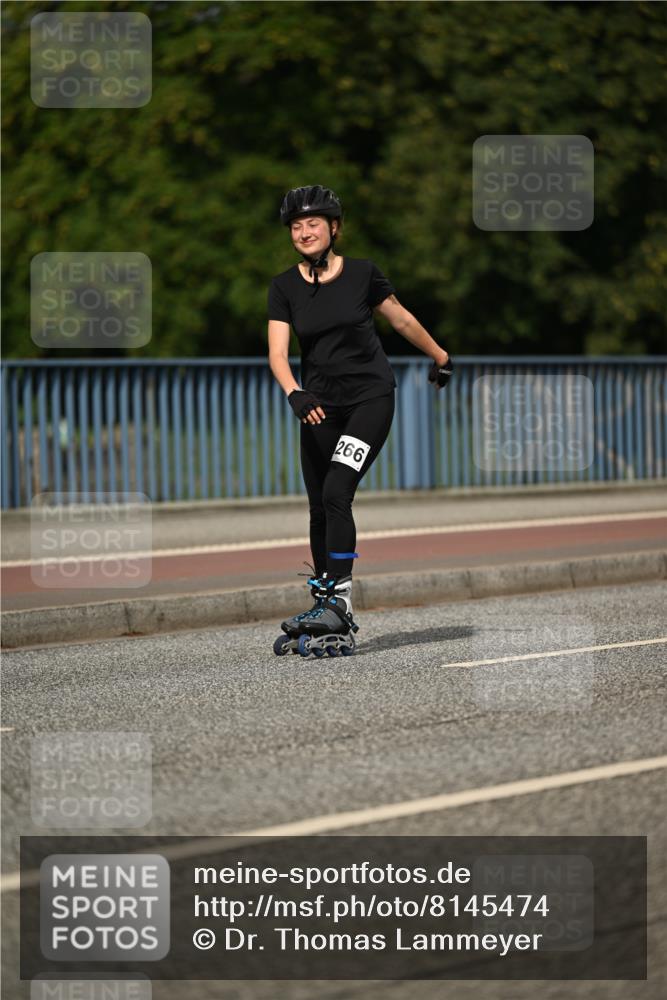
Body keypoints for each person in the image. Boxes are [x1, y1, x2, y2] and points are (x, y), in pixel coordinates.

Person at [267, 184, 452, 656]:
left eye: (313, 223)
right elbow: (278, 354)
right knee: (318, 506)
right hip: (318, 407)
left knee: (337, 491)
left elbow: (400, 318)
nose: (304, 232)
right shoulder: (284, 287)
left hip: (370, 399)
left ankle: (340, 602)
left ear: (334, 228)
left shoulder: (363, 274)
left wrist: (439, 355)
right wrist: (294, 392)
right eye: (296, 226)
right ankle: (323, 600)